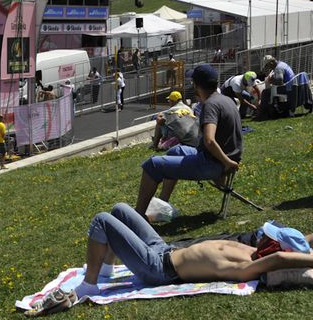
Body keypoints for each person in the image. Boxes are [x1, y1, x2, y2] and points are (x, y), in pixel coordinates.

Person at [72, 203, 313, 301]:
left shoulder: (247, 268)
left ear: (275, 248)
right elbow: (301, 242)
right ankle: (106, 269)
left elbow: (282, 257)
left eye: (269, 238)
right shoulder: (252, 250)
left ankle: (90, 284)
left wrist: (306, 258)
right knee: (120, 209)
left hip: (157, 269)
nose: (262, 236)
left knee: (101, 220)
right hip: (165, 249)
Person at [135, 64, 242, 216]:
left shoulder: (210, 105)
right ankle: (162, 203)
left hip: (214, 164)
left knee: (152, 165)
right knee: (176, 150)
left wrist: (226, 163)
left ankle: (138, 216)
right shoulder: (226, 100)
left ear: (196, 85)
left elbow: (209, 141)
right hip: (223, 159)